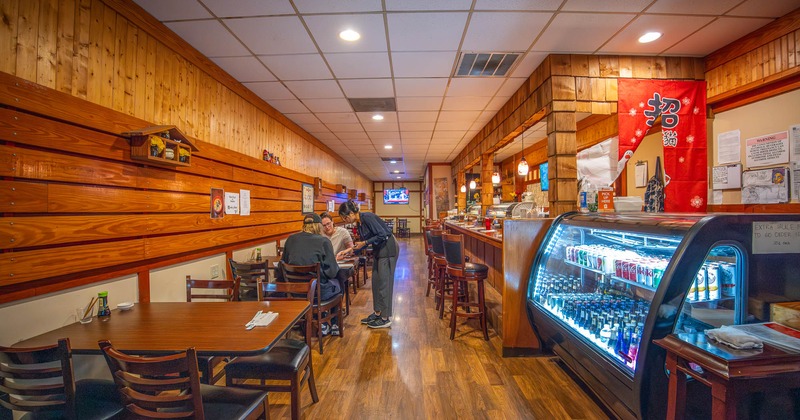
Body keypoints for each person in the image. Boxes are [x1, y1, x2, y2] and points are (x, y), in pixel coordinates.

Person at [278, 213, 342, 335]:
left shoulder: (291, 239)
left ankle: (320, 319)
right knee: (338, 284)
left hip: (294, 291)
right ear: (319, 226)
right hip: (318, 293)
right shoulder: (323, 241)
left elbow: (282, 264)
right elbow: (332, 271)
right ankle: (333, 323)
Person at [338, 200, 398, 329]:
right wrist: (350, 251)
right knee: (376, 283)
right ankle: (377, 313)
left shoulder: (367, 217)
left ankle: (385, 317)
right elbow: (364, 243)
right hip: (379, 251)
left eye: (344, 217)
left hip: (388, 249)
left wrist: (365, 243)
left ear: (350, 214)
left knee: (384, 283)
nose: (345, 220)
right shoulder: (359, 223)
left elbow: (384, 234)